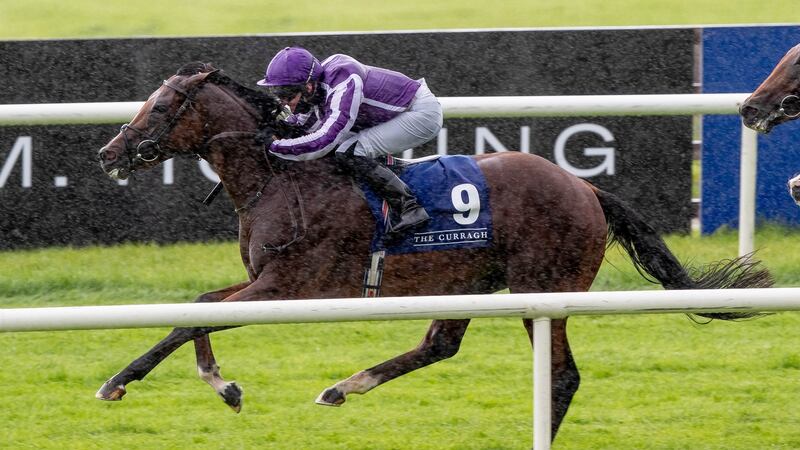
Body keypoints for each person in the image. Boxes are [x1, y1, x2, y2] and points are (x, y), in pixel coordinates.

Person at [256, 46, 443, 235]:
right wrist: (281, 128)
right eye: (277, 94)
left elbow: (326, 139)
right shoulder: (316, 87)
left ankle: (409, 208)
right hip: (393, 113)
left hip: (420, 113)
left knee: (348, 151)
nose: (284, 102)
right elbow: (305, 124)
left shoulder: (344, 80)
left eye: (287, 95)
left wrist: (276, 146)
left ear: (308, 86)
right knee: (343, 152)